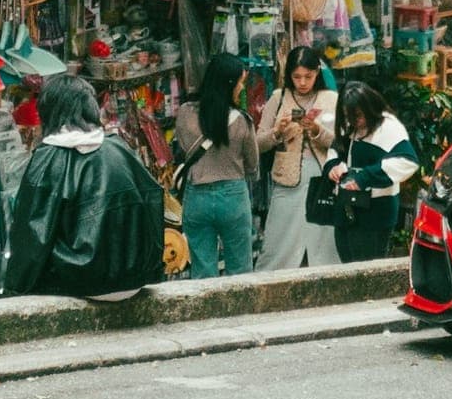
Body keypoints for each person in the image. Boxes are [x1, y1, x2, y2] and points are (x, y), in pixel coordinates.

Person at [0, 74, 164, 300]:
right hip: (136, 279)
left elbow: (31, 235)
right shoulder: (119, 148)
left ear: (48, 111)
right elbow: (153, 202)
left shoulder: (48, 157)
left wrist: (13, 288)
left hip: (86, 279)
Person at [174, 53, 258, 279]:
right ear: (229, 84)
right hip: (233, 197)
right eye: (240, 82)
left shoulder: (184, 114)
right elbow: (252, 165)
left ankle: (207, 314)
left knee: (202, 270)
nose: (241, 88)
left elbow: (183, 147)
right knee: (240, 269)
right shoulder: (242, 121)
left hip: (197, 197)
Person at [256, 48, 340, 270]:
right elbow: (259, 143)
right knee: (279, 237)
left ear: (317, 73)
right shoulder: (279, 97)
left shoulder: (331, 99)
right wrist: (277, 132)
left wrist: (316, 130)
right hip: (287, 176)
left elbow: (342, 143)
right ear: (288, 76)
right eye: (296, 77)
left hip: (322, 177)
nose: (302, 83)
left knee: (323, 237)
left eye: (308, 76)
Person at [323, 82, 418, 263]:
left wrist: (364, 178)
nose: (353, 121)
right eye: (348, 116)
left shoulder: (388, 127)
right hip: (346, 209)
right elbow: (337, 150)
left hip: (375, 214)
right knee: (347, 266)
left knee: (366, 270)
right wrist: (332, 167)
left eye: (357, 115)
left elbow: (408, 161)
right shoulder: (350, 124)